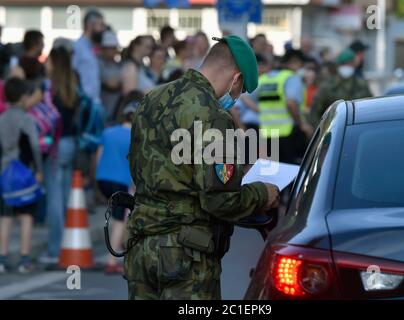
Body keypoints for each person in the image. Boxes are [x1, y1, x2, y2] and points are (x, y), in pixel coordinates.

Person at [124, 35, 280, 300]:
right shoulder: (214, 116)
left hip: (141, 249)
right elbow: (219, 200)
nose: (236, 97)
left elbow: (150, 167)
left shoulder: (152, 98)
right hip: (185, 258)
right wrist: (264, 194)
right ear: (236, 78)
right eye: (240, 90)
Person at [38, 47, 79, 265]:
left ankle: (56, 249)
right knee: (64, 198)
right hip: (71, 143)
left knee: (54, 199)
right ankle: (67, 244)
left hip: (53, 145)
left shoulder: (47, 87)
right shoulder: (73, 84)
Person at [0, 77, 43, 273]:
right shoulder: (26, 120)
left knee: (5, 216)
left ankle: (2, 257)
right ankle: (25, 259)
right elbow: (34, 145)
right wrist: (39, 169)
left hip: (5, 172)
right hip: (24, 173)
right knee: (26, 216)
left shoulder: (2, 118)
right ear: (24, 97)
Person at [96, 91, 141, 274]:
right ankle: (111, 260)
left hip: (102, 179)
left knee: (116, 216)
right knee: (120, 218)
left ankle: (119, 246)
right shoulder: (136, 137)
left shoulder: (108, 132)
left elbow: (98, 156)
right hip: (121, 182)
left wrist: (96, 178)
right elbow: (136, 164)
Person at [257, 49, 312, 165]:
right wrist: (302, 124)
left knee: (271, 173)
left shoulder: (264, 79)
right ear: (294, 62)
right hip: (287, 132)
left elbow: (246, 98)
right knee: (288, 171)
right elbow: (290, 102)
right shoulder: (291, 78)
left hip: (267, 132)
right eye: (301, 65)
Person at [310, 48, 372, 127]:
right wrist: (323, 132)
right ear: (338, 65)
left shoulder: (362, 85)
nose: (347, 67)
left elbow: (370, 109)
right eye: (344, 64)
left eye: (350, 64)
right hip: (334, 131)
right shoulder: (327, 87)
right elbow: (314, 114)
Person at [72, 9, 105, 103]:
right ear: (90, 25)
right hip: (82, 104)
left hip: (92, 104)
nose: (103, 30)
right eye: (101, 25)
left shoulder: (92, 48)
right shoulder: (77, 47)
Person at [99, 30, 122, 124]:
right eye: (111, 48)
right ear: (104, 48)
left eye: (114, 48)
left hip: (115, 114)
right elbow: (111, 85)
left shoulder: (118, 65)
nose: (114, 51)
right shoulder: (97, 64)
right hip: (102, 112)